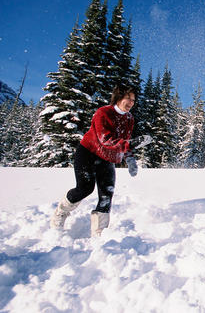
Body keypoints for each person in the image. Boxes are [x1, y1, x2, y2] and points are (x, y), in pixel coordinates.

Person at [50, 85, 139, 237]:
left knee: (107, 195)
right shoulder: (103, 113)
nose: (131, 102)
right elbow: (105, 139)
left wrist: (130, 158)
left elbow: (124, 141)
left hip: (107, 158)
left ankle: (100, 232)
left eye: (133, 100)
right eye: (128, 98)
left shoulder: (129, 119)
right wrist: (130, 144)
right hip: (88, 154)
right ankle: (60, 213)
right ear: (118, 97)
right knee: (85, 188)